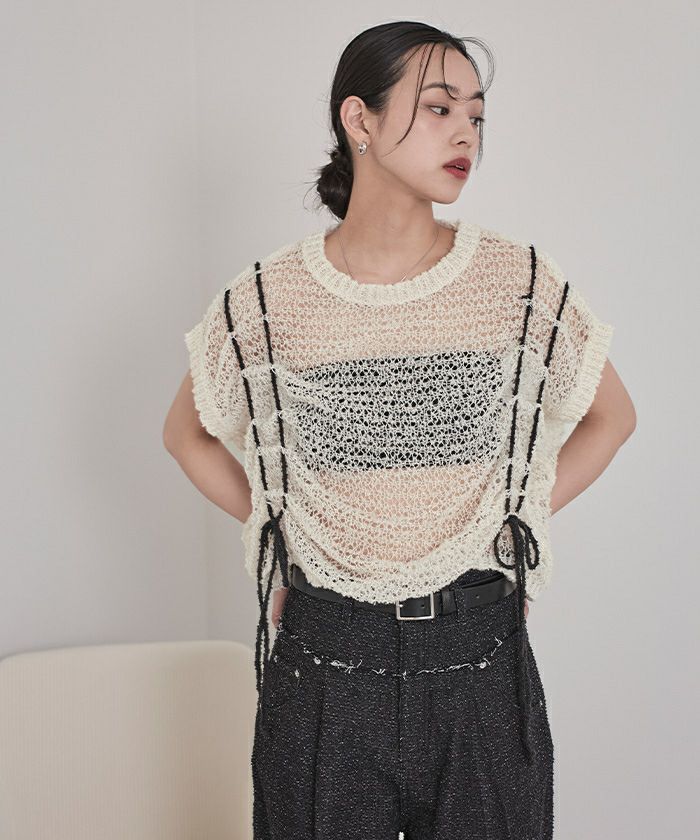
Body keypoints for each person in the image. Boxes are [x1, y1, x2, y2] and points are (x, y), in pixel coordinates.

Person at [163, 20, 636, 840]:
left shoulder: (515, 281)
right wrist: (283, 522)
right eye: (440, 107)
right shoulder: (270, 298)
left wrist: (511, 514)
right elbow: (187, 435)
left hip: (480, 656)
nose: (467, 133)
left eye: (476, 115)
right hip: (324, 659)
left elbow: (612, 418)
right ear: (360, 119)